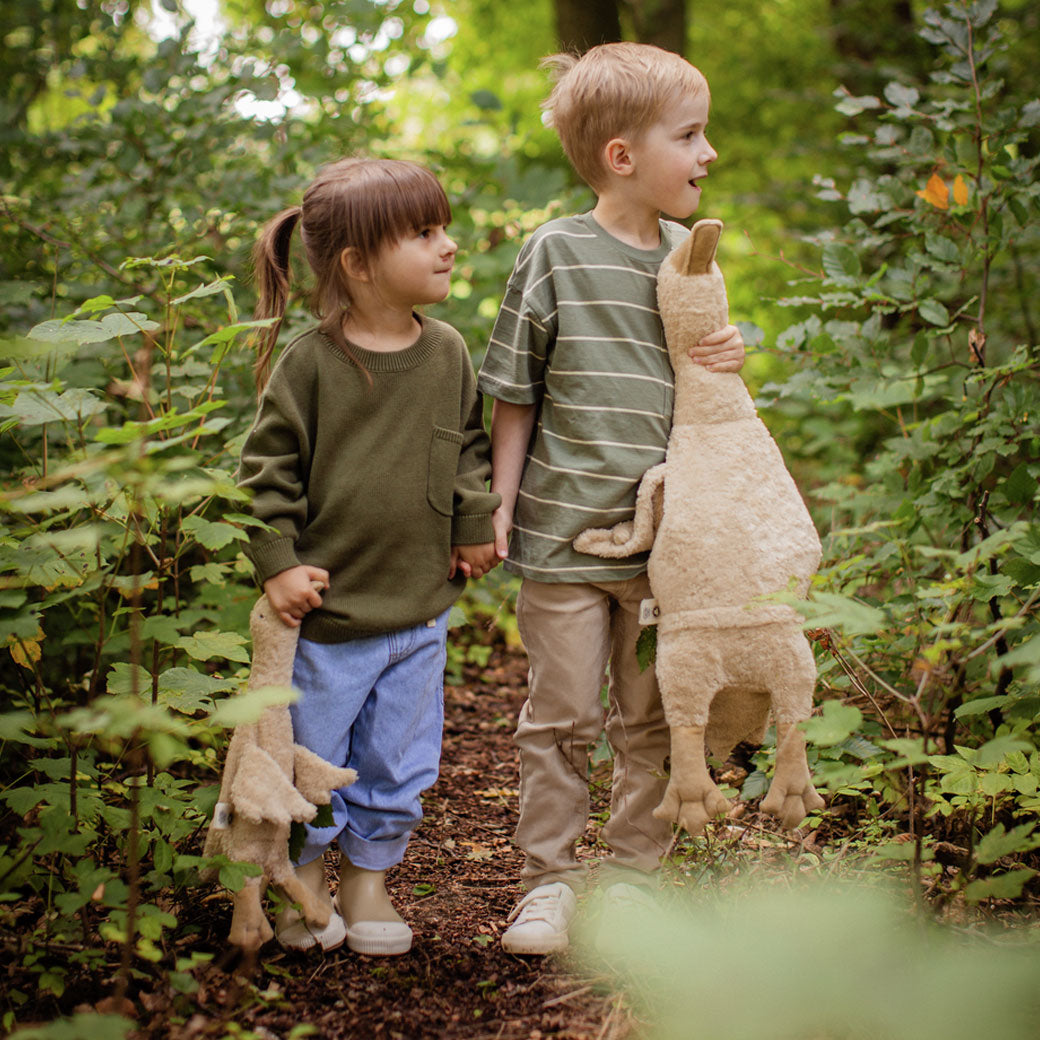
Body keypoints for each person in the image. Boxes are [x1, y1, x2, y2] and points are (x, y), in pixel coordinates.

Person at [478, 42, 746, 955]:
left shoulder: (692, 256)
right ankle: (546, 884)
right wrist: (500, 505)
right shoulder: (554, 251)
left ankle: (634, 878)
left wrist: (727, 361)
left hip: (666, 545)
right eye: (691, 135)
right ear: (623, 156)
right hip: (559, 534)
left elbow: (709, 393)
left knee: (653, 715)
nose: (709, 154)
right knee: (560, 717)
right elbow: (514, 391)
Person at [239, 157, 500, 955]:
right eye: (424, 233)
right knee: (317, 759)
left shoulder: (449, 350)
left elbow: (468, 449)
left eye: (443, 227)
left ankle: (370, 882)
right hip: (328, 621)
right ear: (356, 264)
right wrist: (279, 561)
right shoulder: (313, 363)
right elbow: (266, 470)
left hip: (418, 611)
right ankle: (306, 880)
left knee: (399, 760)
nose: (448, 245)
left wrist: (472, 521)